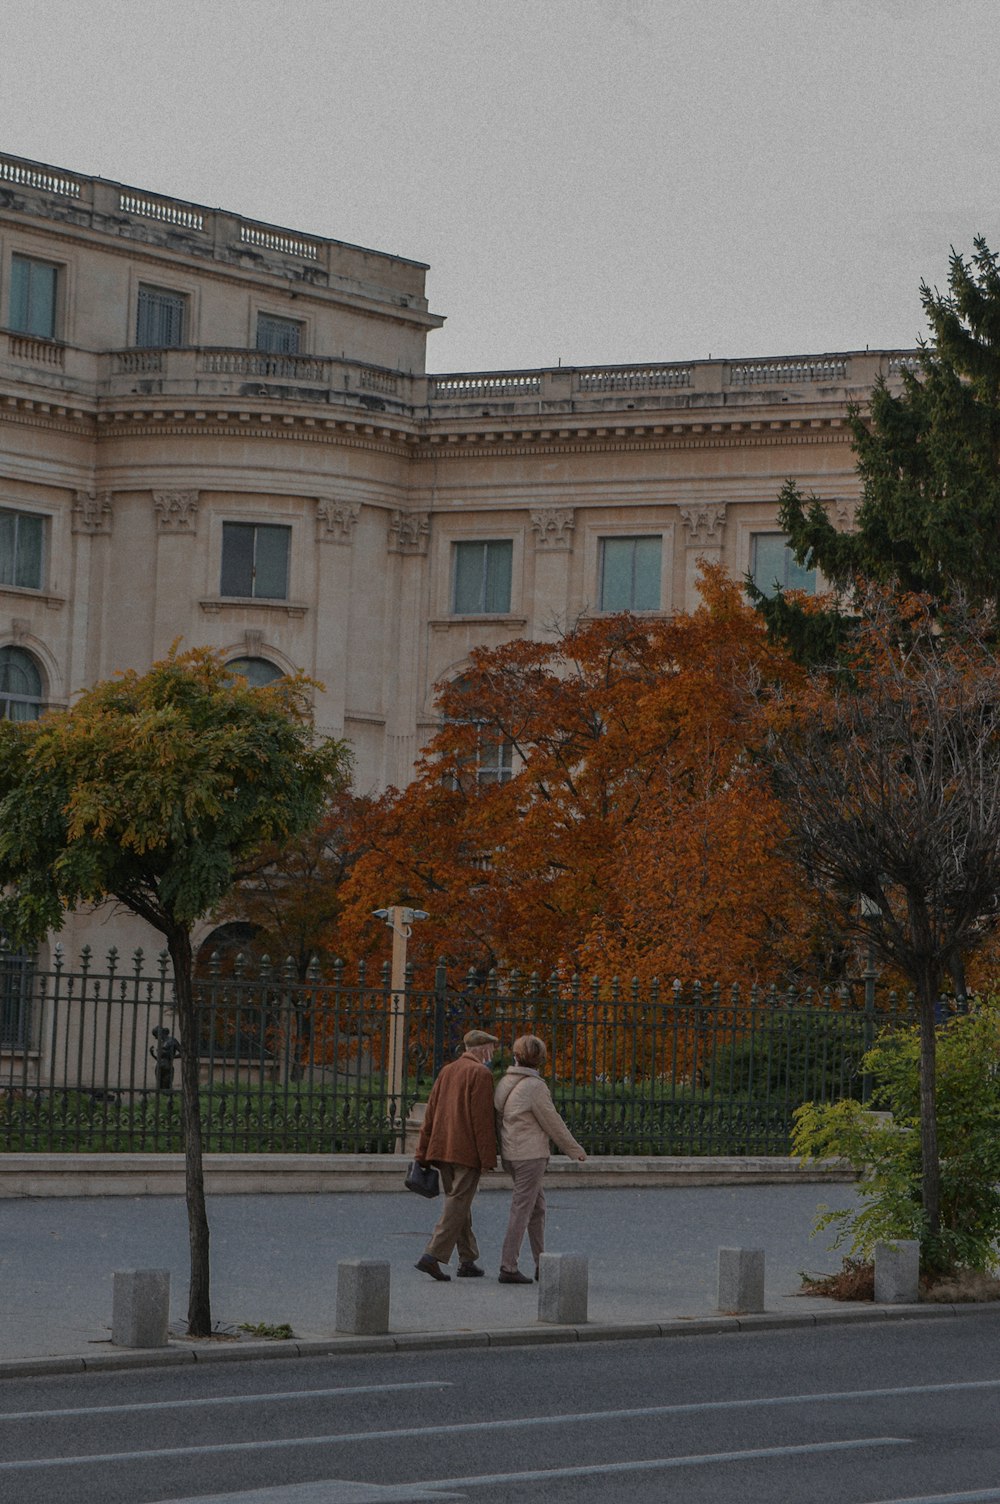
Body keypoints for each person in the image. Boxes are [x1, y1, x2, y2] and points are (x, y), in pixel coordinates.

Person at [494, 1034, 586, 1284]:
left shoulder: (505, 1082)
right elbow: (553, 1122)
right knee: (522, 1210)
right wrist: (574, 1149)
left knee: (537, 1207)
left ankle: (540, 1263)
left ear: (516, 1055)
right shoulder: (535, 1087)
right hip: (530, 1156)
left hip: (512, 1153)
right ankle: (508, 1266)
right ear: (540, 1059)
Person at [413, 1028, 500, 1282]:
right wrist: (488, 1158)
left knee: (458, 1201)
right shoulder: (481, 1073)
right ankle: (432, 1255)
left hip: (442, 1148)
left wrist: (422, 1151)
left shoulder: (447, 1070)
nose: (492, 1054)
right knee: (457, 1203)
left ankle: (468, 1259)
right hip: (466, 1151)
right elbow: (482, 1121)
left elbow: (431, 1112)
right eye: (491, 1049)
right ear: (482, 1050)